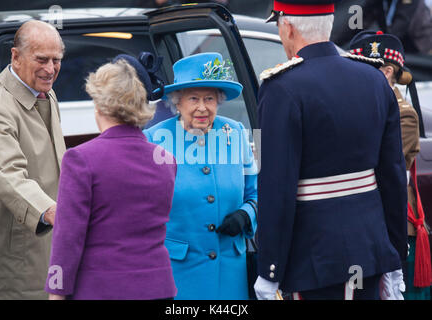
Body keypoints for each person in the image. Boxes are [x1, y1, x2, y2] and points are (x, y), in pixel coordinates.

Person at [254, 0, 408, 300]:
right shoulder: (374, 78)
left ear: (286, 27)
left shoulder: (281, 87)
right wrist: (395, 255)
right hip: (371, 251)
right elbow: (392, 176)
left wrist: (270, 269)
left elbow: (276, 187)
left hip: (313, 260)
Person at [44, 55, 177, 300]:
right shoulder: (167, 159)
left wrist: (56, 291)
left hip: (101, 289)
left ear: (100, 105)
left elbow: (68, 238)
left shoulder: (80, 159)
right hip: (157, 287)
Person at [144, 52, 258, 300]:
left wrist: (245, 215)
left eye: (209, 98)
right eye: (193, 98)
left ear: (219, 101)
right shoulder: (153, 140)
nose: (202, 107)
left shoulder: (235, 132)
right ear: (178, 102)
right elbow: (140, 208)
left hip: (231, 272)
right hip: (178, 272)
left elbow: (256, 193)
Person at [0, 20, 66, 299]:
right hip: (17, 247)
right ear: (15, 56)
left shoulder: (46, 91)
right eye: (41, 59)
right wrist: (53, 211)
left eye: (57, 60)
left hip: (50, 239)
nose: (51, 69)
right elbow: (6, 173)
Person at [350, 30, 432, 300]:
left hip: (393, 228)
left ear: (386, 72)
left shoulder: (404, 116)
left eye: (362, 69)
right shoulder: (362, 105)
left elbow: (372, 166)